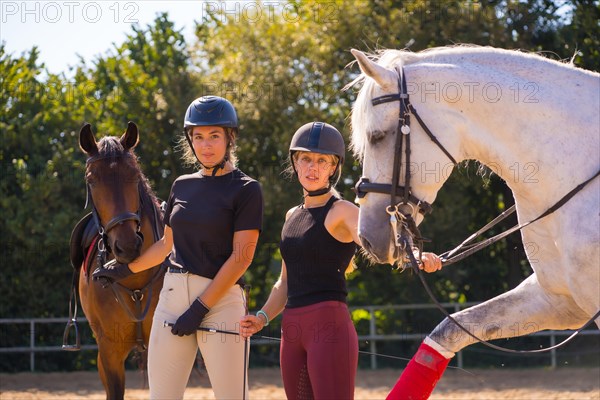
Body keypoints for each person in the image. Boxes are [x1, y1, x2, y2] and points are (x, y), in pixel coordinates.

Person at [239, 122, 442, 399]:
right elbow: (285, 282)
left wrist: (417, 256)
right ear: (295, 163)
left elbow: (383, 246)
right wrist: (262, 318)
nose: (313, 167)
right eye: (306, 159)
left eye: (322, 161)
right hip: (291, 331)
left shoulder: (342, 211)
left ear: (334, 168)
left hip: (329, 330)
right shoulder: (290, 217)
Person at [93, 95, 263, 399]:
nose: (206, 145)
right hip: (172, 299)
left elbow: (242, 257)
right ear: (190, 140)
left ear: (229, 138)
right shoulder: (181, 185)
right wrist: (124, 270)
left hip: (222, 301)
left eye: (214, 136)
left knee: (232, 397)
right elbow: (165, 246)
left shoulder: (246, 189)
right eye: (198, 137)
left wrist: (200, 308)